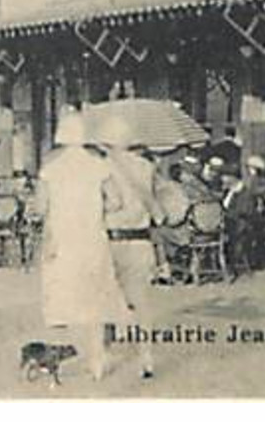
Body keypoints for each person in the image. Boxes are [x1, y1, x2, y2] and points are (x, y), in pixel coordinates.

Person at [37, 112, 122, 382]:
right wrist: (97, 209)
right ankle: (96, 361)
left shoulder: (50, 169)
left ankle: (69, 361)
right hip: (94, 240)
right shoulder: (99, 166)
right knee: (95, 301)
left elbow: (40, 209)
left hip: (62, 242)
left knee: (65, 301)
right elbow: (117, 202)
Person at [96, 118, 165, 380]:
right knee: (142, 303)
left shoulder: (102, 168)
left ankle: (102, 357)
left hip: (110, 241)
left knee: (103, 299)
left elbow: (103, 203)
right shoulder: (147, 167)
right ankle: (146, 359)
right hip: (141, 241)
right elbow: (157, 201)